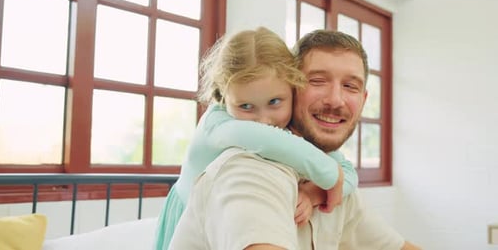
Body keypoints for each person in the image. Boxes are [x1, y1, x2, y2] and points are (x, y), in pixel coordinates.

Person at [168, 29, 422, 250]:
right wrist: (329, 176)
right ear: (292, 85)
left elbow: (344, 172)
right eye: (318, 81)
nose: (335, 99)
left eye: (350, 86)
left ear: (364, 100)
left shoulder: (320, 174)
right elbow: (269, 142)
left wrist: (317, 194)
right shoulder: (247, 164)